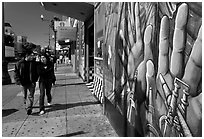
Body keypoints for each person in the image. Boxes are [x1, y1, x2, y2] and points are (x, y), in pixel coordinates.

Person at [14, 51, 39, 115]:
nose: (32, 56)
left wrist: (35, 79)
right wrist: (18, 81)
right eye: (31, 55)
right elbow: (16, 73)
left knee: (31, 95)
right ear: (27, 56)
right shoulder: (19, 63)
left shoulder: (34, 63)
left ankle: (29, 108)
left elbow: (37, 71)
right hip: (23, 82)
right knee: (24, 96)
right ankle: (27, 105)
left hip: (31, 82)